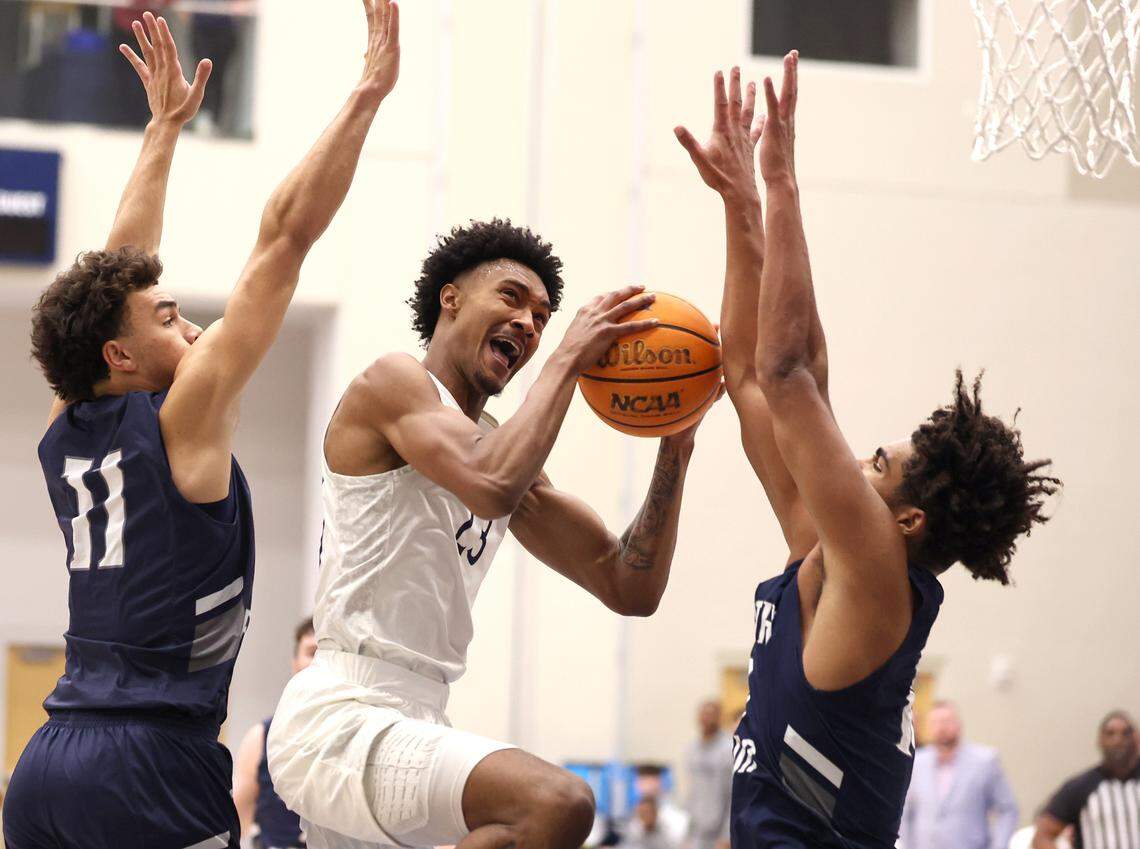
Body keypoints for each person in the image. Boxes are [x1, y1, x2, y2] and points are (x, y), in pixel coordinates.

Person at [2, 4, 400, 848]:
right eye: (171, 316)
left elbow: (119, 271)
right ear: (120, 354)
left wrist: (164, 130)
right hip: (152, 762)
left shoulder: (67, 419)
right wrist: (365, 95)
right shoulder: (185, 415)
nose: (190, 325)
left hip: (44, 763)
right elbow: (284, 239)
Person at [674, 54, 1060, 849]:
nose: (852, 460)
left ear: (909, 517)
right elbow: (748, 372)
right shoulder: (829, 556)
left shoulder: (877, 574)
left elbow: (787, 374)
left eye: (876, 467)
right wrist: (742, 211)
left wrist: (782, 188)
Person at [268, 233, 716, 844]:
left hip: (421, 714)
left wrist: (676, 445)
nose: (529, 324)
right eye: (511, 297)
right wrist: (568, 358)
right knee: (555, 804)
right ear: (450, 298)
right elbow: (490, 482)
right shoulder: (394, 382)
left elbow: (628, 584)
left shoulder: (499, 446)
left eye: (542, 318)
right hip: (344, 711)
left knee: (513, 829)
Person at [233, 619, 319, 849]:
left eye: (327, 654)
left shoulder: (359, 738)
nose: (319, 662)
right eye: (312, 652)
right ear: (295, 663)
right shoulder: (261, 737)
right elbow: (237, 823)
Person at [900, 701, 1019, 849]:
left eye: (946, 721)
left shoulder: (985, 761)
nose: (941, 728)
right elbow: (905, 811)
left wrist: (999, 845)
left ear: (958, 724)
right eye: (935, 722)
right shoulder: (916, 763)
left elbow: (1007, 809)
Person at [1032, 711, 1140, 849]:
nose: (1118, 740)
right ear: (1100, 741)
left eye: (1126, 733)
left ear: (1136, 739)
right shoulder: (1081, 787)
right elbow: (1043, 835)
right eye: (1110, 734)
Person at [684, 700, 732, 849]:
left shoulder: (728, 749)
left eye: (711, 715)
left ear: (719, 717)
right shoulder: (692, 749)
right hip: (697, 833)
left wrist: (727, 835)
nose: (706, 718)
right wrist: (687, 834)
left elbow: (733, 795)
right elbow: (692, 792)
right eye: (703, 714)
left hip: (719, 834)